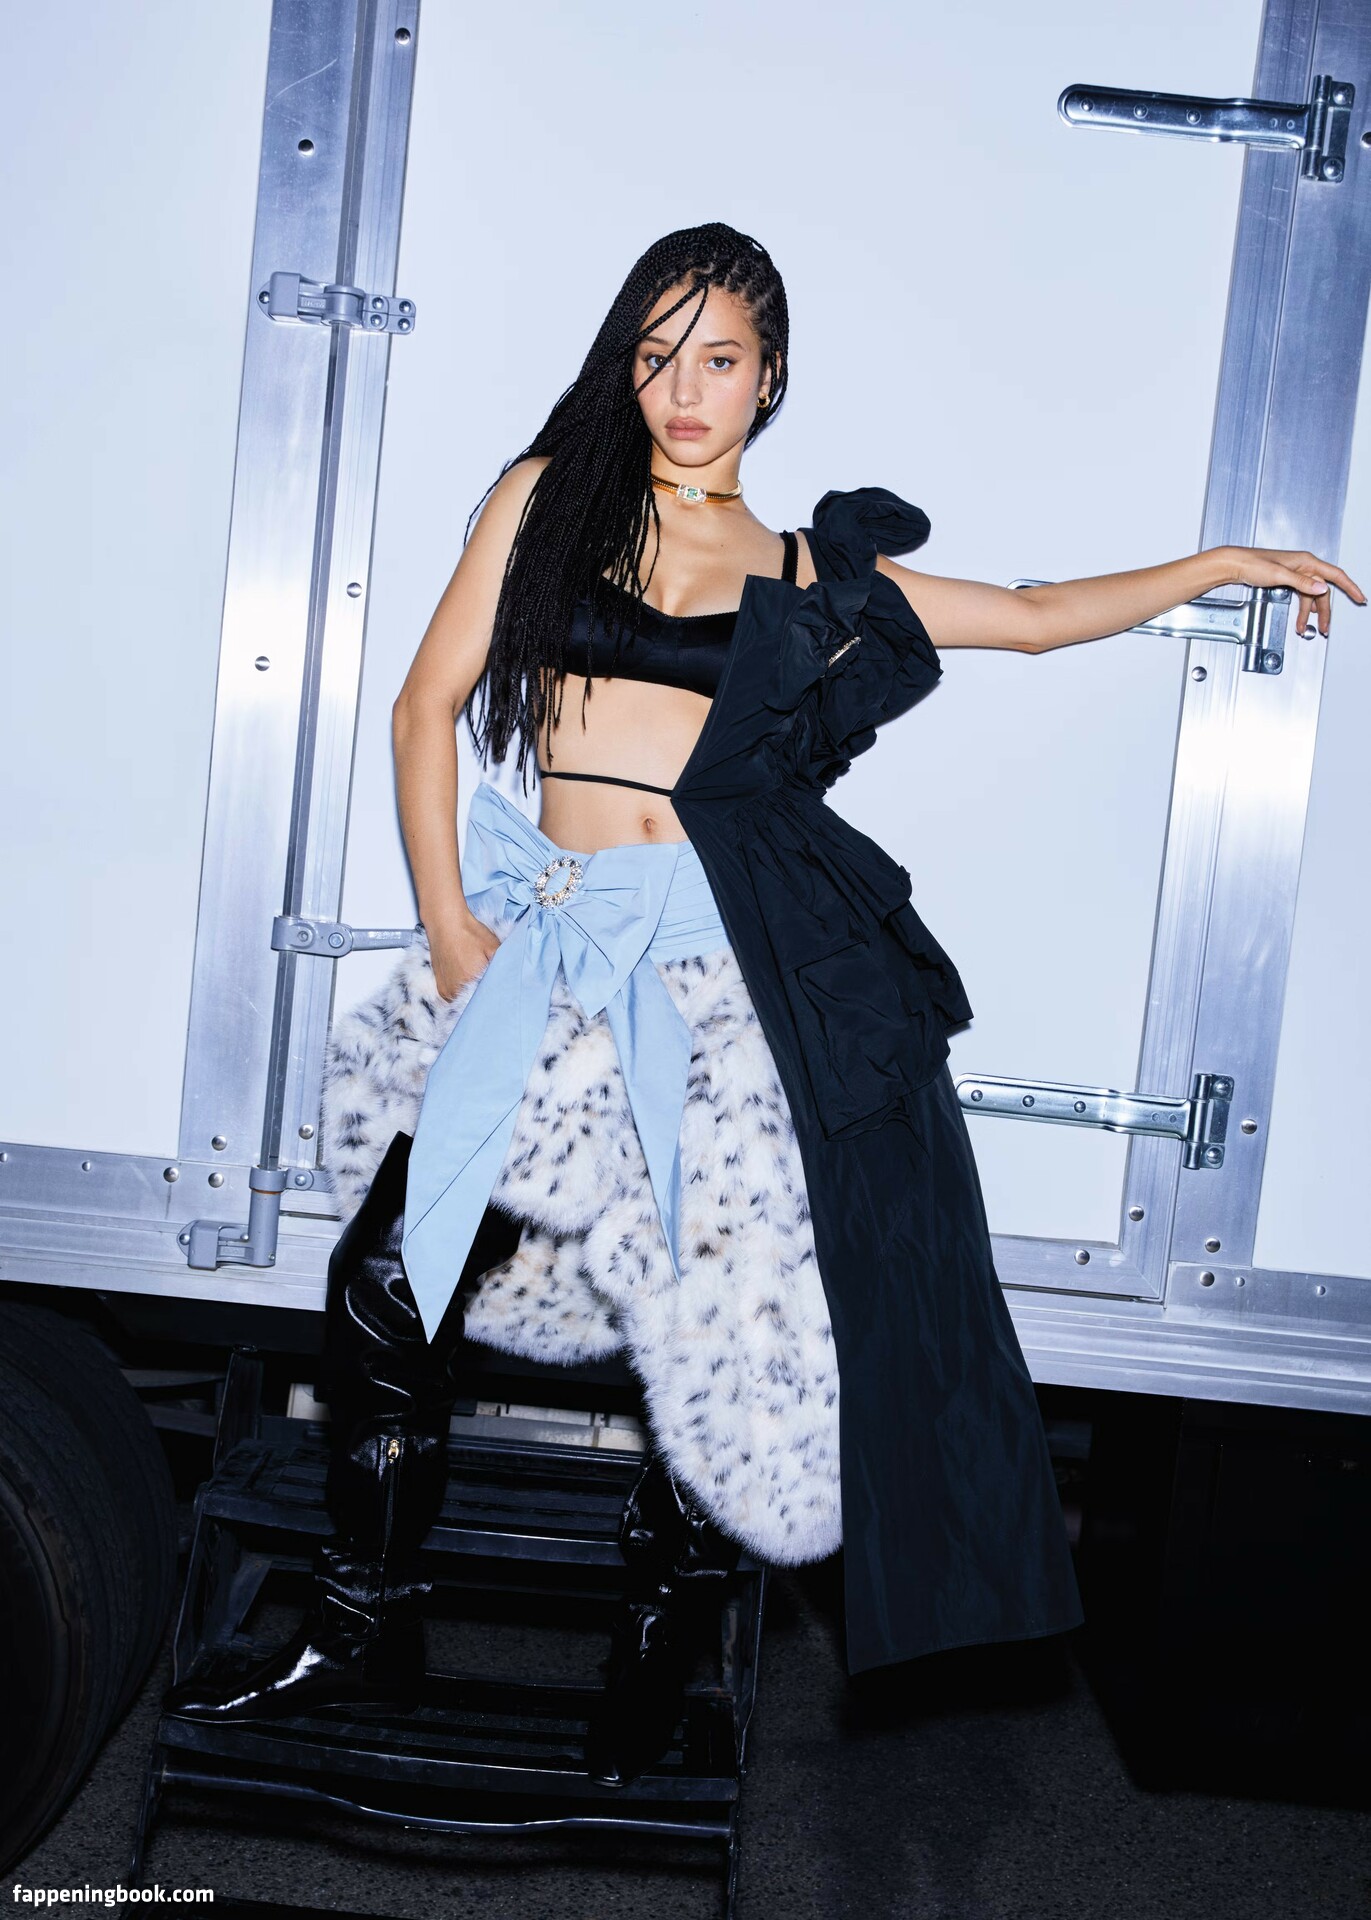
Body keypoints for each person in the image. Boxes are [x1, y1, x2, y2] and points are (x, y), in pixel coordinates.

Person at [165, 221, 1363, 1786]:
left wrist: (1220, 566)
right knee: (390, 1282)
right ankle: (364, 1616)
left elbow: (1029, 609)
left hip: (717, 975)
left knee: (713, 1328)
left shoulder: (806, 579)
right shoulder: (545, 500)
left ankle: (654, 1652)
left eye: (717, 359)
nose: (684, 389)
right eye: (658, 354)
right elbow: (422, 706)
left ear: (769, 379)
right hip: (553, 951)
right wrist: (450, 923)